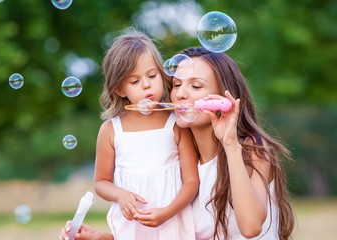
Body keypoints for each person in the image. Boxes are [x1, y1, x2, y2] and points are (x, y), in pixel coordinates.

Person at [60, 46, 295, 240]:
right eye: (176, 85)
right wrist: (102, 238)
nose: (181, 94)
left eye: (196, 86)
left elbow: (251, 227)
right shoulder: (178, 164)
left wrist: (230, 143)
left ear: (222, 98)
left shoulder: (252, 150)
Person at [61, 28, 199, 240]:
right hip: (132, 223)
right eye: (134, 81)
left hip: (172, 221)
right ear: (119, 89)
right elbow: (101, 182)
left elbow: (191, 182)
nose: (146, 84)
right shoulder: (111, 130)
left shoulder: (176, 123)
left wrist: (167, 213)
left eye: (152, 75)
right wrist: (120, 194)